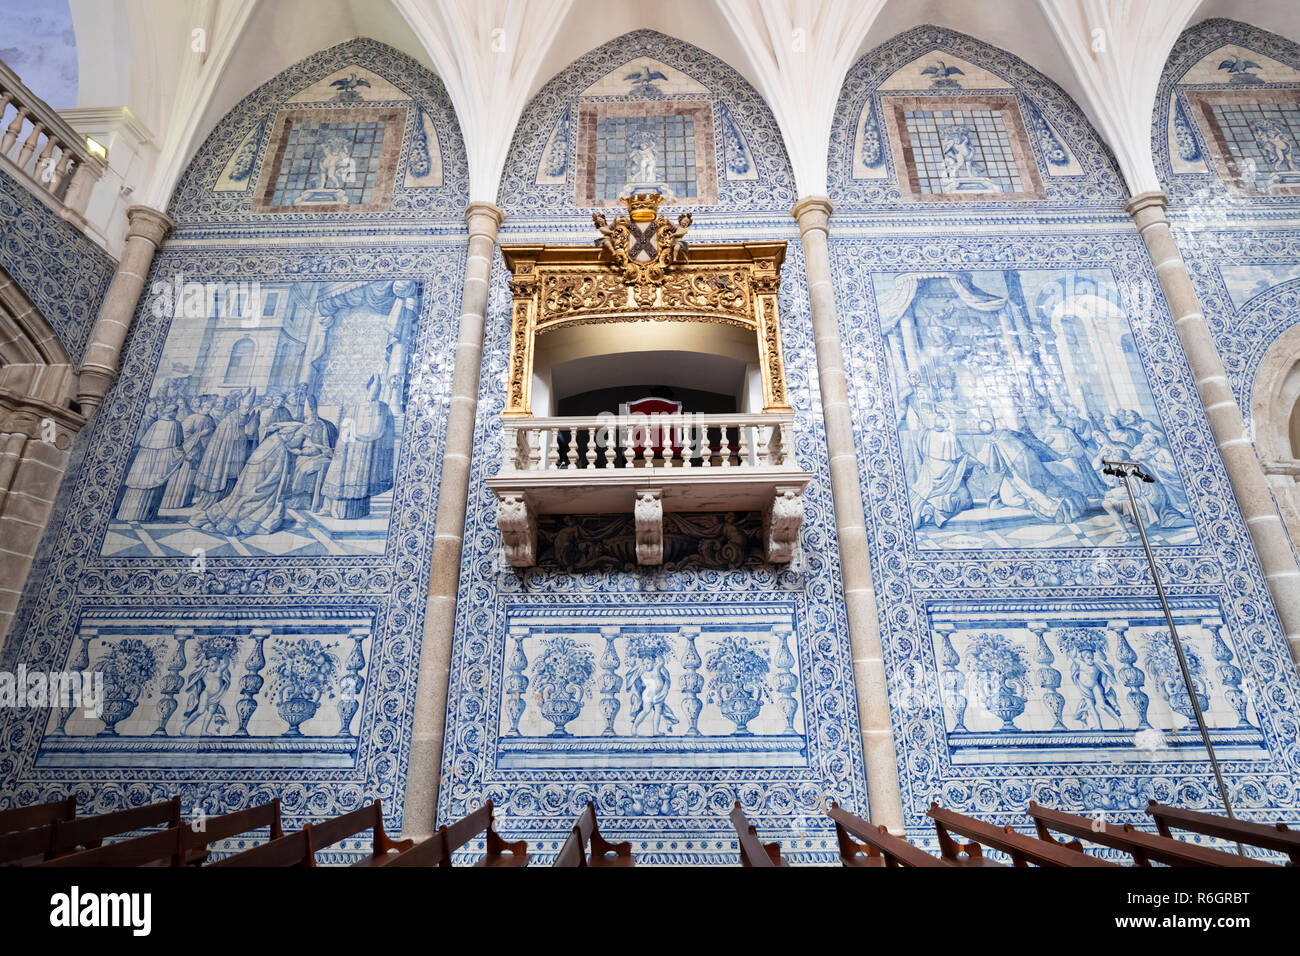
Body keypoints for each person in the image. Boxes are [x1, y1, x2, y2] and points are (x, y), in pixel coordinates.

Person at [189, 421, 306, 536]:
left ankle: (219, 521)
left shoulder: (273, 440)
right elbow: (275, 475)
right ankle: (227, 524)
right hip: (261, 483)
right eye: (299, 439)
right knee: (250, 500)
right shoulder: (279, 448)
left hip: (252, 478)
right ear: (289, 435)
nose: (299, 442)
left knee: (240, 498)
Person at [321, 375, 396, 519]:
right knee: (347, 476)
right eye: (373, 388)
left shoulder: (383, 407)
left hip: (370, 450)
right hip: (354, 448)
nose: (375, 392)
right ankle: (337, 510)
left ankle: (360, 511)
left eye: (378, 389)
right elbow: (346, 423)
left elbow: (387, 429)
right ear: (367, 389)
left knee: (364, 480)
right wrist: (346, 439)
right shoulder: (356, 406)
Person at [116, 404, 185, 521]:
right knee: (153, 486)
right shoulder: (175, 424)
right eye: (174, 411)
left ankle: (129, 515)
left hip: (145, 461)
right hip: (160, 461)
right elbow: (177, 444)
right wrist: (181, 455)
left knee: (142, 484)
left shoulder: (156, 424)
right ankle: (143, 517)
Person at [191, 391, 258, 508]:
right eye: (244, 407)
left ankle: (226, 501)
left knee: (232, 476)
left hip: (237, 453)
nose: (246, 410)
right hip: (224, 455)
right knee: (220, 474)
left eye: (248, 408)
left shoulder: (246, 417)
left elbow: (249, 433)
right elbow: (224, 439)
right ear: (239, 405)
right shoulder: (230, 420)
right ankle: (211, 502)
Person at [913, 414, 973, 528]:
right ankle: (933, 510)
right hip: (948, 472)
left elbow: (922, 449)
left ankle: (929, 510)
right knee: (963, 499)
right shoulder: (949, 436)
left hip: (930, 468)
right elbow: (959, 455)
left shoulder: (926, 433)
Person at [161, 396, 217, 510]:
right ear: (201, 406)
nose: (208, 409)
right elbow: (183, 434)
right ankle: (173, 503)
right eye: (206, 406)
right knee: (181, 476)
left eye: (210, 407)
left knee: (190, 478)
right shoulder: (192, 418)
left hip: (199, 452)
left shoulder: (210, 419)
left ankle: (184, 502)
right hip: (188, 451)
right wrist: (200, 435)